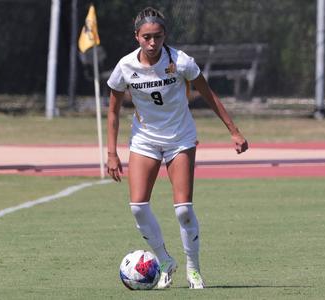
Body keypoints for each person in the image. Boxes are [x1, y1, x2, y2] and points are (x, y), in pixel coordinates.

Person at [106, 7, 248, 289]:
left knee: (183, 209)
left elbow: (209, 95)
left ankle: (193, 270)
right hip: (144, 139)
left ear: (164, 36)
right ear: (137, 37)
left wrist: (234, 131)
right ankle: (165, 261)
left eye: (157, 36)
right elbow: (112, 110)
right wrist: (111, 153)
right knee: (137, 207)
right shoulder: (125, 67)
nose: (152, 42)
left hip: (180, 138)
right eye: (146, 37)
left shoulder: (181, 62)